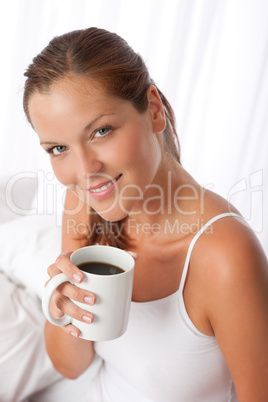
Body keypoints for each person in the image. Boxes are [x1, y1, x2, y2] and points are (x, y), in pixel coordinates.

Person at [23, 27, 268, 401]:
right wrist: (63, 305)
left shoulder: (225, 255)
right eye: (58, 148)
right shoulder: (84, 205)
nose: (86, 170)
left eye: (101, 130)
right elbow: (70, 365)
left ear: (153, 109)